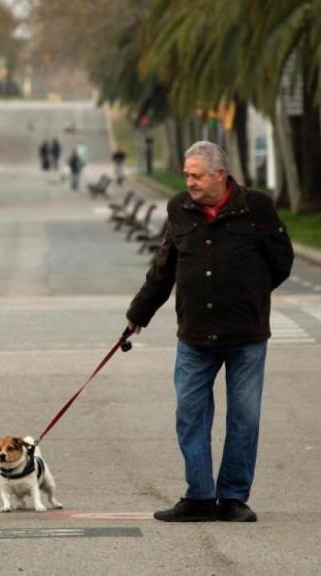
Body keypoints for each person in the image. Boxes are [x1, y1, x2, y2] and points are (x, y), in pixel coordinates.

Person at [125, 141, 293, 523]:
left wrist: (250, 294)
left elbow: (281, 261)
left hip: (246, 334)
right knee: (190, 413)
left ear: (221, 174)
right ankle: (199, 496)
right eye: (187, 174)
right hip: (195, 334)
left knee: (244, 417)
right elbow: (165, 266)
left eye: (196, 175)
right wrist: (139, 313)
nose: (189, 182)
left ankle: (233, 498)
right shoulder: (179, 209)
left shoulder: (257, 207)